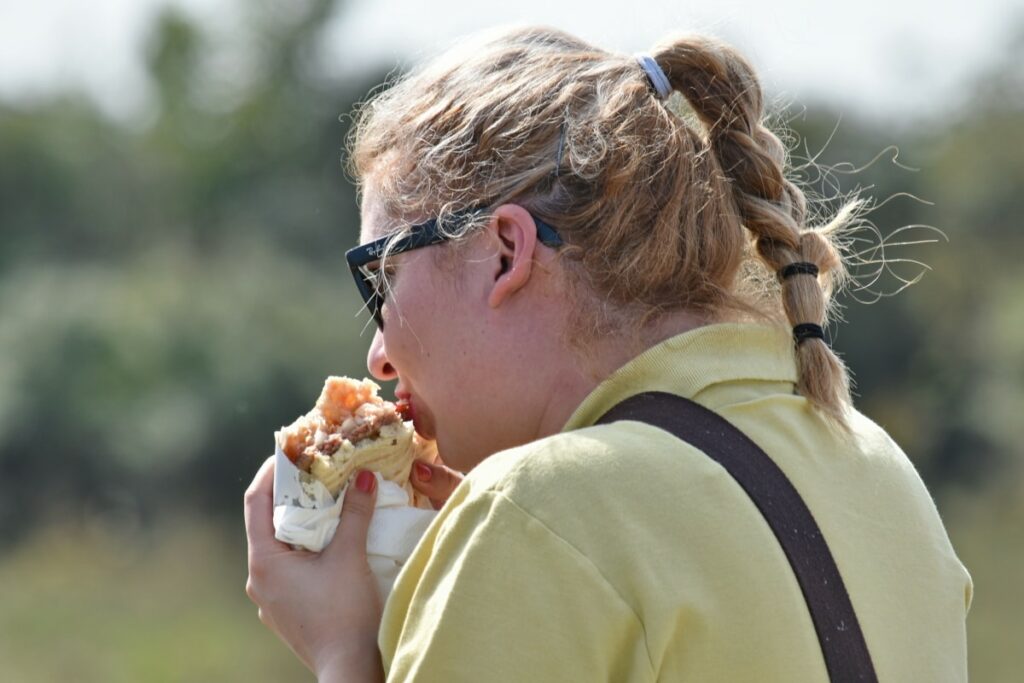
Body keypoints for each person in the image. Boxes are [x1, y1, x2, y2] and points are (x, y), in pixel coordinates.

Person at [244, 25, 971, 682]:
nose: (379, 354)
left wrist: (342, 648)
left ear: (504, 253)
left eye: (384, 276)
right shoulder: (878, 468)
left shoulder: (529, 513)